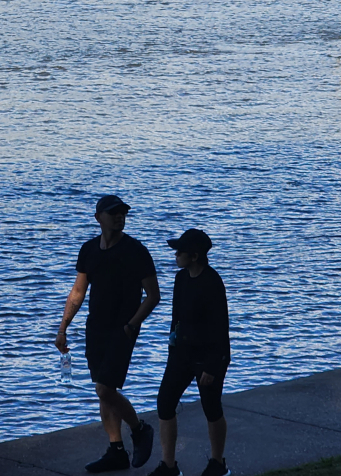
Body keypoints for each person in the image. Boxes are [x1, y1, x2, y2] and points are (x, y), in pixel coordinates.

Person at [56, 194, 161, 472]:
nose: (119, 216)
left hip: (122, 330)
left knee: (104, 387)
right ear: (98, 217)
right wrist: (63, 327)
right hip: (96, 328)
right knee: (104, 390)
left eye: (122, 212)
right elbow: (78, 291)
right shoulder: (89, 250)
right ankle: (116, 451)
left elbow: (153, 295)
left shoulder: (136, 250)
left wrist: (132, 325)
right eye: (113, 212)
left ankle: (139, 429)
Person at [148, 229, 230, 476]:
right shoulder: (180, 279)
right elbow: (177, 320)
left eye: (180, 251)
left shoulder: (212, 282)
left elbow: (220, 328)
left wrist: (213, 366)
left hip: (208, 356)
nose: (176, 255)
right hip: (181, 353)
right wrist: (172, 348)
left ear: (194, 256)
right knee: (165, 402)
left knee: (211, 406)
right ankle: (169, 466)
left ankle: (218, 464)